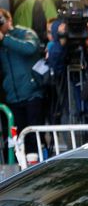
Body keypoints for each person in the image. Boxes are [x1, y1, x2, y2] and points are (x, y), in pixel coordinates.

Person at [0, 9, 47, 144]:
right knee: (18, 139)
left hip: (32, 93)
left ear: (9, 21)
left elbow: (30, 48)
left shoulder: (24, 33)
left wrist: (5, 39)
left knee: (34, 137)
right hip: (12, 97)